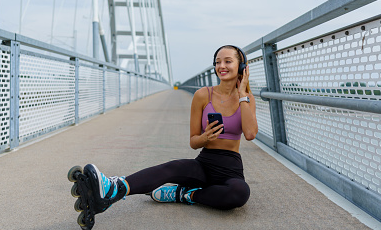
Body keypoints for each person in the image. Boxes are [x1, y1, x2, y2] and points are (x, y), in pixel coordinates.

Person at [76, 45, 258, 214]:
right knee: (170, 168)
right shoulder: (203, 95)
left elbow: (250, 134)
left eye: (227, 61)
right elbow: (193, 142)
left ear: (241, 66)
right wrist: (206, 137)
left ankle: (185, 194)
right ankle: (113, 188)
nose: (221, 66)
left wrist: (242, 95)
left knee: (239, 193)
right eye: (217, 62)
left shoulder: (247, 98)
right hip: (204, 163)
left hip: (231, 169)